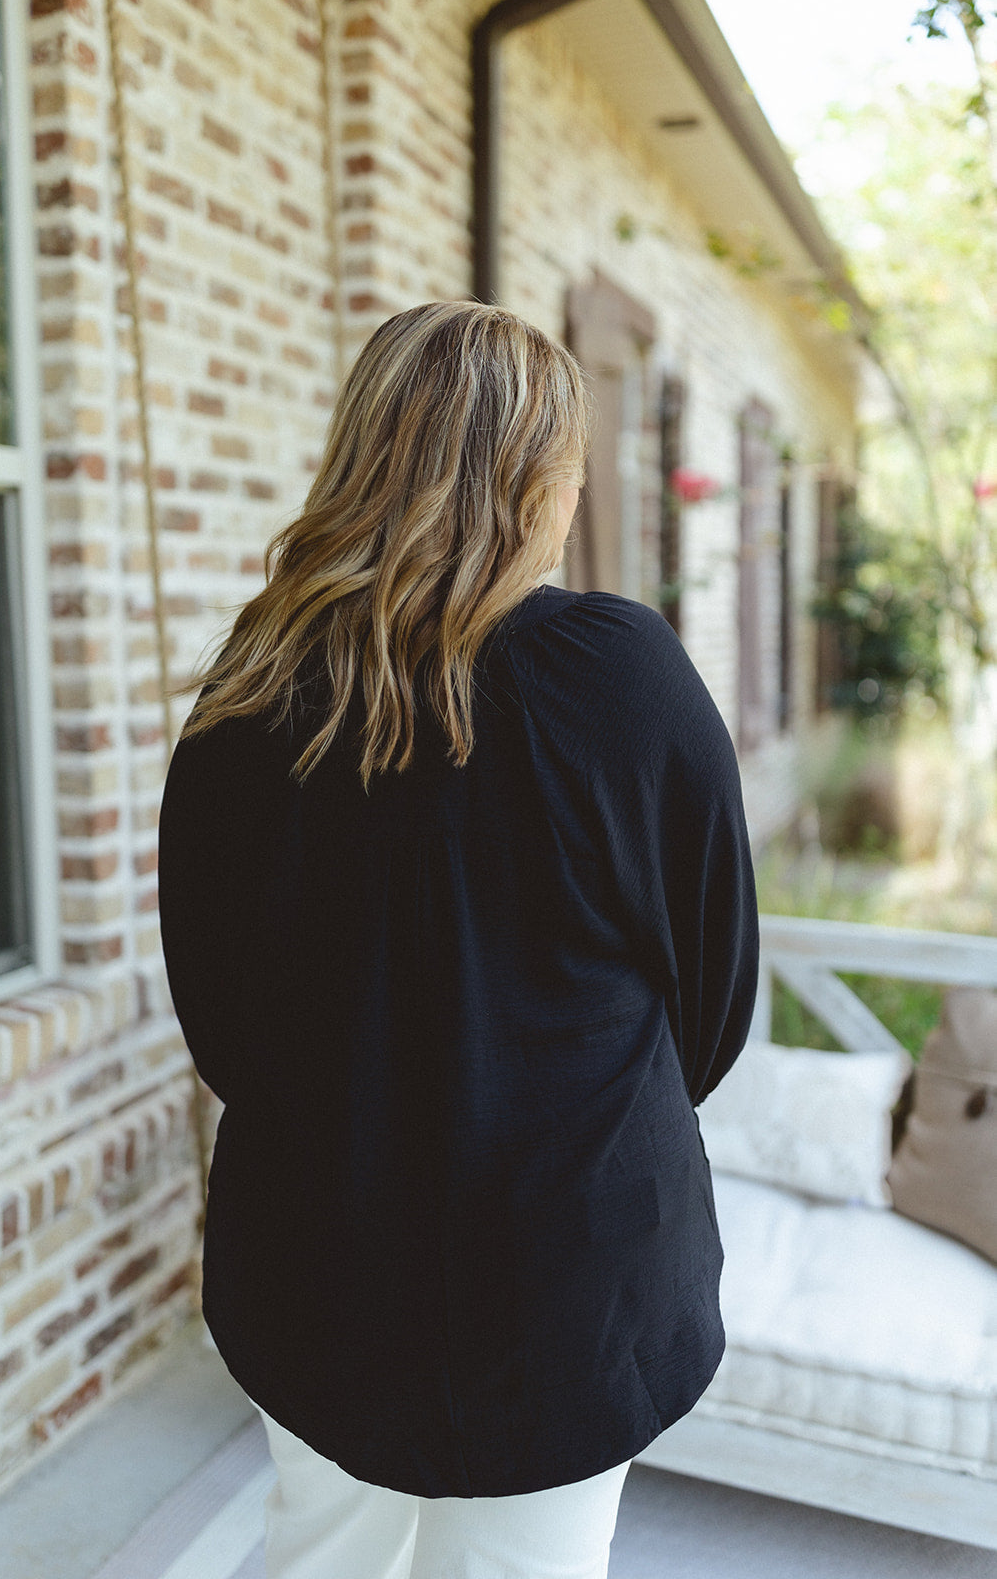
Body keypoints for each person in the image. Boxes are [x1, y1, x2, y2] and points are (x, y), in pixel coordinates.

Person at [156, 299, 759, 1579]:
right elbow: (710, 996)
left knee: (315, 1553)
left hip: (317, 1257)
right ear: (534, 481)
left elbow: (217, 1015)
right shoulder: (623, 676)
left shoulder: (246, 691)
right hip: (567, 1276)